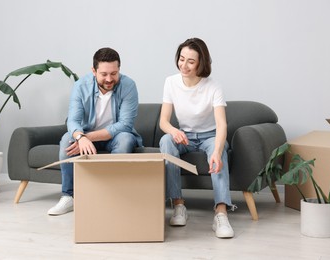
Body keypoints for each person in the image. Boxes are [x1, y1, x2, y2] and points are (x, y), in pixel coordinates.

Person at [48, 47, 142, 216]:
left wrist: (87, 137)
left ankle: (114, 194)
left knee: (125, 140)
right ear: (94, 71)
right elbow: (73, 120)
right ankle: (69, 196)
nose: (109, 79)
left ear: (119, 69)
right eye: (104, 74)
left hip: (116, 136)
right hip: (86, 133)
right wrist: (79, 137)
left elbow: (125, 125)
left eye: (114, 73)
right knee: (66, 140)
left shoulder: (128, 86)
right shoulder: (80, 86)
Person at [159, 38, 235, 238]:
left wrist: (217, 151)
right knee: (166, 141)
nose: (184, 65)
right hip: (184, 136)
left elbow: (222, 125)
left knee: (219, 154)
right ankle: (178, 205)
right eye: (181, 59)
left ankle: (221, 212)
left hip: (209, 135)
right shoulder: (170, 82)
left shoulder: (213, 86)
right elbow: (163, 121)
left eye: (190, 62)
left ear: (201, 63)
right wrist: (174, 131)